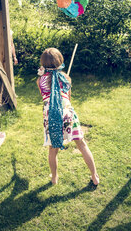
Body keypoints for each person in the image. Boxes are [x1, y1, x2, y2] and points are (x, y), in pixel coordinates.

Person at [36, 47, 99, 186]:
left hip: (51, 115)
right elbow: (68, 98)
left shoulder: (40, 80)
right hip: (67, 113)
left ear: (43, 63)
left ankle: (54, 178)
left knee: (53, 149)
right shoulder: (66, 78)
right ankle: (94, 176)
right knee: (82, 144)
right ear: (60, 61)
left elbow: (44, 96)